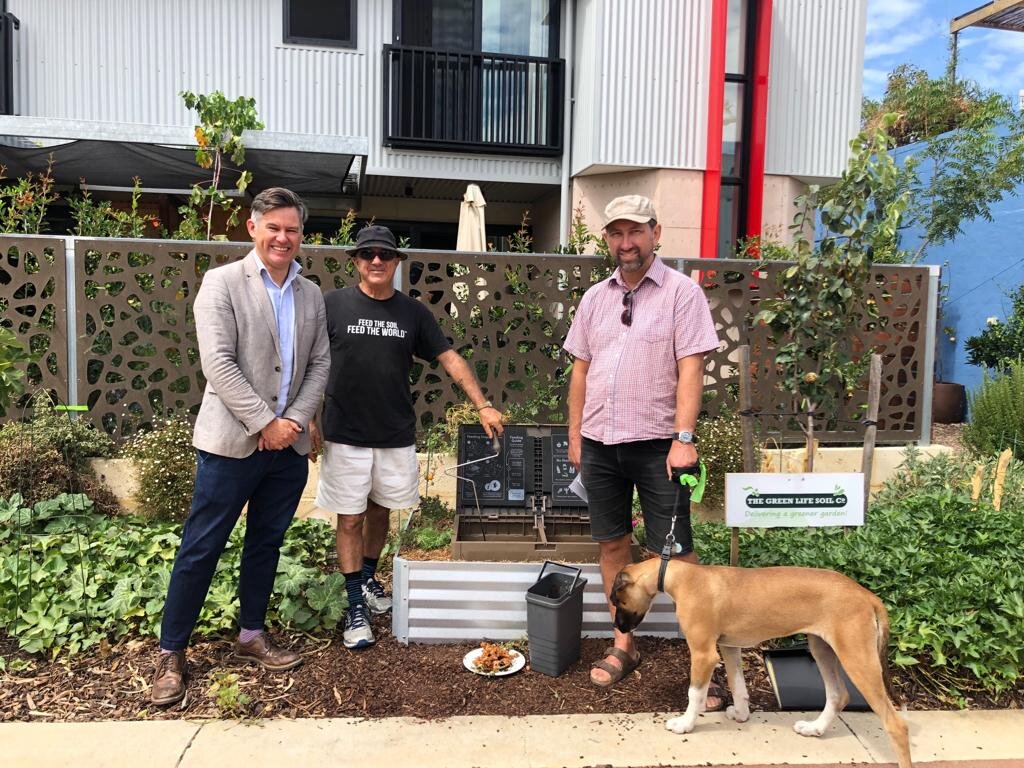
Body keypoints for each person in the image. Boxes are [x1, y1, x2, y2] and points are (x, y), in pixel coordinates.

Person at [151, 187, 330, 706]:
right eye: (273, 227)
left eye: (291, 229)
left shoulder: (311, 294)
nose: (282, 237)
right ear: (252, 228)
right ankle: (171, 651)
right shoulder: (221, 283)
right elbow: (219, 364)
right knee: (201, 546)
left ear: (301, 235)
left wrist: (292, 422)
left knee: (266, 544)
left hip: (288, 449)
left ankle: (251, 633)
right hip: (232, 444)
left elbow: (319, 364)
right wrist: (263, 423)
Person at [312, 224, 504, 649]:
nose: (376, 261)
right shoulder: (333, 306)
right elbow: (309, 362)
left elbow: (449, 357)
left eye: (385, 254)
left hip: (395, 434)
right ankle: (354, 605)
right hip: (344, 433)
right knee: (350, 517)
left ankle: (367, 579)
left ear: (397, 262)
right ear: (356, 262)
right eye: (368, 254)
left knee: (381, 512)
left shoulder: (413, 313)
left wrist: (482, 403)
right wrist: (307, 416)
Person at [563, 195, 720, 692]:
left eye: (635, 232)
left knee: (676, 553)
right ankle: (623, 644)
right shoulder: (594, 298)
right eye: (616, 233)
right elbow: (581, 369)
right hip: (600, 444)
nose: (625, 243)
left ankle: (707, 658)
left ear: (656, 232)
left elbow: (691, 366)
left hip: (660, 448)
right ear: (607, 239)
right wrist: (574, 437)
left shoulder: (681, 294)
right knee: (612, 544)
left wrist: (684, 439)